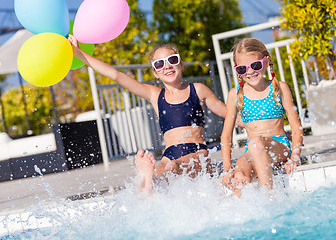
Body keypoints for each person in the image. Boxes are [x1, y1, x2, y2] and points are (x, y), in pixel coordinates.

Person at [68, 35, 230, 193]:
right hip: (169, 154)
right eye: (159, 64)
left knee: (173, 167)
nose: (166, 66)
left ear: (181, 65)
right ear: (155, 73)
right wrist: (79, 54)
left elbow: (228, 113)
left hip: (197, 153)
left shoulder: (198, 90)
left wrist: (250, 121)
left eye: (172, 60)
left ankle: (149, 177)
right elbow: (116, 75)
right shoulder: (155, 95)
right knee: (155, 178)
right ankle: (146, 181)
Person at [220, 38, 303, 195]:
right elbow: (226, 135)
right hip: (251, 150)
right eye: (242, 69)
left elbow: (296, 127)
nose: (250, 72)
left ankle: (268, 198)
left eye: (255, 65)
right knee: (239, 176)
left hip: (279, 147)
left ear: (266, 62)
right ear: (237, 70)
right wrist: (226, 168)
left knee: (256, 143)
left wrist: (295, 156)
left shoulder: (279, 88)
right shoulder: (236, 95)